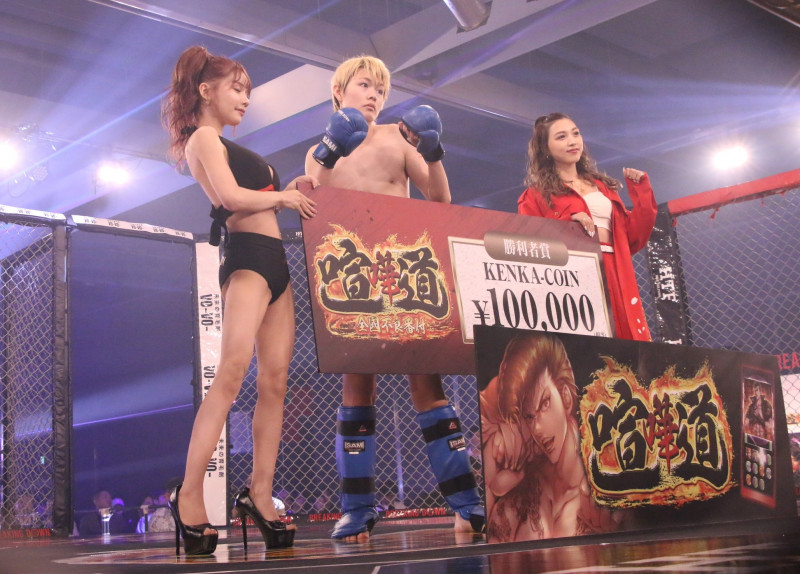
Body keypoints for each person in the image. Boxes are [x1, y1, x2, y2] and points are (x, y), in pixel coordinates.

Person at [305, 55, 484, 542]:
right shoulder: (321, 148)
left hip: (404, 265)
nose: (374, 95)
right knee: (357, 388)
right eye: (365, 85)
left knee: (427, 382)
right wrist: (328, 152)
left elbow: (439, 198)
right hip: (352, 271)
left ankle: (466, 504)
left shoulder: (397, 138)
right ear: (340, 90)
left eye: (380, 90)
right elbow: (313, 198)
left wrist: (434, 150)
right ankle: (356, 509)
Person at [162, 45, 317, 555]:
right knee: (231, 374)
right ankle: (189, 495)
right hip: (248, 258)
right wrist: (283, 197)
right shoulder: (203, 138)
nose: (245, 99)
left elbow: (259, 196)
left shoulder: (229, 143)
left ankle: (260, 494)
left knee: (275, 383)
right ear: (206, 90)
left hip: (275, 262)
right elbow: (230, 199)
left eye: (247, 91)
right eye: (237, 88)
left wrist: (290, 188)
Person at [517, 112, 657, 341]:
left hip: (617, 271)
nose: (572, 141)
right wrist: (566, 225)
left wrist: (641, 192)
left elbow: (634, 238)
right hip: (573, 279)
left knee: (629, 345)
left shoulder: (603, 187)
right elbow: (530, 250)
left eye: (576, 134)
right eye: (561, 137)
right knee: (589, 346)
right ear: (545, 148)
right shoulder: (535, 196)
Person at [481, 332, 621, 540]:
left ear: (565, 397)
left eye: (544, 403)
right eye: (529, 416)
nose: (537, 428)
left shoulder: (608, 483)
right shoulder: (519, 501)